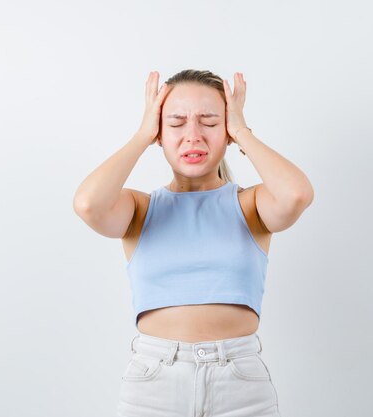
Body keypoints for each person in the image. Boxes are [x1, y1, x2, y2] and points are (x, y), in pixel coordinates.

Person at [73, 69, 314, 417]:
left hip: (241, 385)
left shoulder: (250, 206)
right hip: (154, 384)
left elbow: (296, 194)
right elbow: (88, 204)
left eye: (210, 122)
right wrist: (143, 134)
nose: (193, 136)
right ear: (159, 131)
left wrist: (242, 132)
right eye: (176, 122)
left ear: (227, 129)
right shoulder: (140, 210)